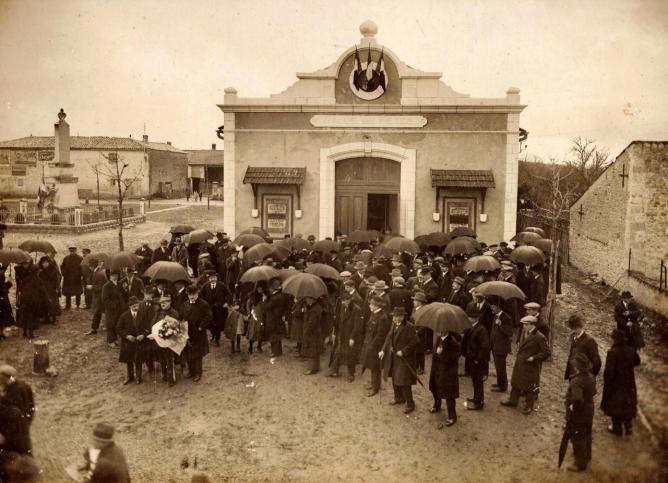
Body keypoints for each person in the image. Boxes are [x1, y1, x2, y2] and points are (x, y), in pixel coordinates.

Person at [501, 315, 550, 414]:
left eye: (526, 325)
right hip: (520, 362)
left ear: (533, 325)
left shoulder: (540, 337)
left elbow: (546, 352)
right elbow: (522, 343)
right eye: (523, 325)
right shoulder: (524, 332)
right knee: (516, 382)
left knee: (529, 386)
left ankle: (529, 406)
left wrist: (534, 358)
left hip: (530, 365)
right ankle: (513, 401)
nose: (524, 327)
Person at [380, 307, 419, 414]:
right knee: (395, 378)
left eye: (397, 316)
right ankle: (398, 398)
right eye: (394, 316)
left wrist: (403, 351)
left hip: (404, 359)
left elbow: (415, 342)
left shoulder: (409, 327)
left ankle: (410, 404)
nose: (394, 318)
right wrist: (383, 350)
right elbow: (388, 337)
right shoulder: (394, 324)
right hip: (394, 357)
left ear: (402, 317)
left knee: (404, 381)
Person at [601, 329, 640, 436]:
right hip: (629, 382)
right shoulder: (631, 350)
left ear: (615, 339)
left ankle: (617, 429)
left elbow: (609, 371)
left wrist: (607, 383)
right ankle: (629, 427)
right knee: (628, 403)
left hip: (616, 384)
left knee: (616, 404)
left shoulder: (612, 352)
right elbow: (637, 361)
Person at [564, 352, 597, 472]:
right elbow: (594, 392)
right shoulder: (590, 377)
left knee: (577, 436)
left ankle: (580, 463)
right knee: (586, 434)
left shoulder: (576, 381)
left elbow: (578, 398)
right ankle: (586, 456)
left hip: (579, 413)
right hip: (589, 410)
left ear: (577, 367)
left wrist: (573, 407)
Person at [330, 280, 363, 381]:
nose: (343, 303)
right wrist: (335, 332)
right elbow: (338, 320)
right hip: (341, 333)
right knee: (338, 351)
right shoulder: (342, 306)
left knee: (350, 355)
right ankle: (335, 370)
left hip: (350, 335)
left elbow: (357, 326)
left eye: (344, 301)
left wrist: (352, 337)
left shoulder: (356, 309)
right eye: (342, 301)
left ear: (349, 300)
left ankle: (351, 374)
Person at [179, 285, 212, 382]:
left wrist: (201, 327)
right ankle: (191, 371)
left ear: (197, 293)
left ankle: (198, 373)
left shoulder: (203, 304)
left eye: (193, 294)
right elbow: (181, 316)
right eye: (189, 295)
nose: (191, 297)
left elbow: (208, 317)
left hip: (198, 333)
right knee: (189, 353)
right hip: (187, 333)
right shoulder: (184, 305)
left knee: (198, 355)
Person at [429, 331, 461, 427]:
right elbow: (435, 353)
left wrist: (441, 354)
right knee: (436, 388)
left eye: (442, 329)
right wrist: (436, 353)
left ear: (447, 330)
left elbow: (454, 358)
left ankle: (452, 416)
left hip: (448, 373)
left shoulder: (453, 343)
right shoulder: (438, 339)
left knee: (449, 394)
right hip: (437, 369)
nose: (439, 331)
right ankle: (437, 405)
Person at [361, 296, 391, 397]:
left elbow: (380, 336)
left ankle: (375, 388)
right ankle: (374, 384)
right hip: (370, 344)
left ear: (377, 306)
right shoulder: (375, 314)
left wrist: (372, 346)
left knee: (375, 367)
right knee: (371, 365)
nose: (369, 306)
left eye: (371, 304)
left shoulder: (382, 318)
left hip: (375, 347)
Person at [0, 365, 34, 455]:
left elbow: (6, 411)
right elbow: (31, 407)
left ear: (6, 377)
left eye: (1, 378)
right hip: (22, 422)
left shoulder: (11, 392)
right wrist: (27, 421)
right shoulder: (24, 386)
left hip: (14, 424)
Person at [462, 310, 490, 410]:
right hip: (472, 359)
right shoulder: (472, 327)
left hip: (478, 361)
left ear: (476, 318)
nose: (468, 319)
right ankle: (476, 398)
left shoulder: (481, 330)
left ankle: (479, 402)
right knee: (475, 381)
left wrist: (478, 359)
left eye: (470, 317)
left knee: (478, 382)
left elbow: (485, 347)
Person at [152, 295, 180, 386]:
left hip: (171, 340)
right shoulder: (158, 312)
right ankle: (164, 375)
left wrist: (170, 332)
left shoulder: (174, 312)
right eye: (161, 303)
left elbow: (177, 325)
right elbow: (153, 323)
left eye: (164, 302)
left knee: (169, 359)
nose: (162, 304)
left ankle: (170, 378)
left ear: (169, 302)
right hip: (160, 340)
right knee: (162, 358)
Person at [564, 315, 601, 380]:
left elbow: (597, 363)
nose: (571, 331)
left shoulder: (590, 341)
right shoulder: (573, 338)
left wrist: (589, 377)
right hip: (573, 376)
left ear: (578, 328)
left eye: (572, 329)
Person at [199, 271, 231, 347]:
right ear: (209, 279)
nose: (212, 279)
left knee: (219, 323)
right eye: (210, 278)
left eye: (214, 277)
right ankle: (213, 335)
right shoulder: (206, 286)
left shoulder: (221, 285)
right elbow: (200, 294)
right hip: (210, 309)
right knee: (211, 323)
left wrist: (227, 303)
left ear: (216, 278)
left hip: (220, 309)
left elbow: (229, 294)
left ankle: (217, 339)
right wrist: (204, 303)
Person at [117, 297, 144, 384]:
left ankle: (138, 376)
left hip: (139, 343)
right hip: (128, 343)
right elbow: (119, 329)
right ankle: (130, 376)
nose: (136, 308)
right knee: (129, 360)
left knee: (138, 360)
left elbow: (147, 328)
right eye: (134, 306)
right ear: (130, 306)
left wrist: (143, 335)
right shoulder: (124, 316)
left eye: (137, 306)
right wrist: (127, 336)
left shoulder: (142, 315)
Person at [489, 300, 514, 393]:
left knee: (501, 367)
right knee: (497, 366)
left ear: (499, 307)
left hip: (502, 347)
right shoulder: (495, 316)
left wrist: (501, 325)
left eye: (493, 306)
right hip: (495, 346)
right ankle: (499, 382)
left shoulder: (506, 318)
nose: (491, 308)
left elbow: (509, 332)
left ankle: (503, 386)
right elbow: (493, 331)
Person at [263, 279, 291, 357]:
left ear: (273, 288)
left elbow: (266, 308)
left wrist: (264, 300)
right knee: (277, 335)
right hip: (278, 317)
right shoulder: (282, 295)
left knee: (273, 335)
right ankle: (279, 351)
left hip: (272, 318)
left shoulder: (274, 298)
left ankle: (274, 352)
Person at [101, 270, 125, 348]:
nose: (115, 277)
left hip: (119, 309)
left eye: (117, 275)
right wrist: (113, 305)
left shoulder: (119, 284)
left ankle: (115, 340)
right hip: (111, 310)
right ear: (110, 276)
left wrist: (125, 290)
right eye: (114, 275)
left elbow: (122, 295)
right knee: (111, 325)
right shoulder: (106, 286)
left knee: (117, 324)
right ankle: (110, 341)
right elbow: (105, 299)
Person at [301, 296, 324, 375]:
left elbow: (311, 323)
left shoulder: (313, 310)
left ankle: (311, 369)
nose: (306, 301)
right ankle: (316, 367)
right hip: (316, 332)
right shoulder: (317, 307)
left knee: (311, 350)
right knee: (315, 350)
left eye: (307, 299)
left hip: (312, 333)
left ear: (311, 299)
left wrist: (306, 331)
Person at [85, 260, 108, 336]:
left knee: (97, 313)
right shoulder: (97, 272)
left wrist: (92, 287)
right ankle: (99, 328)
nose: (89, 267)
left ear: (93, 266)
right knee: (100, 312)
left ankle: (94, 329)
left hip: (100, 297)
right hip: (98, 296)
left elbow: (102, 287)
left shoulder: (99, 274)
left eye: (90, 266)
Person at [37, 256, 61, 323]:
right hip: (43, 289)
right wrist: (38, 273)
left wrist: (57, 288)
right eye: (43, 263)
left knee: (53, 304)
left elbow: (57, 280)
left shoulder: (53, 269)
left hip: (52, 289)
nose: (45, 264)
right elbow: (38, 280)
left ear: (49, 263)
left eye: (46, 262)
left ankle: (54, 318)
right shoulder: (40, 271)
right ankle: (46, 318)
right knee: (44, 303)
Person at [410, 291, 429, 375]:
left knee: (420, 351)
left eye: (415, 300)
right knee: (416, 351)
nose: (413, 302)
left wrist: (418, 331)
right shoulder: (414, 309)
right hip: (414, 332)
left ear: (419, 302)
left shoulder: (424, 310)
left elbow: (425, 324)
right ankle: (416, 366)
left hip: (420, 334)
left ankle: (421, 368)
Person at [60, 244, 83, 310]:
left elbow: (82, 267)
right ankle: (68, 305)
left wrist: (80, 274)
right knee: (68, 292)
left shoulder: (80, 258)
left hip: (76, 278)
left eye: (73, 251)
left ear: (76, 251)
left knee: (78, 292)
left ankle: (78, 305)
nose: (72, 252)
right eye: (71, 251)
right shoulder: (66, 258)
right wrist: (64, 273)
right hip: (68, 278)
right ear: (69, 251)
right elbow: (62, 266)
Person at [0, 265, 15, 337]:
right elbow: (3, 288)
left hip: (4, 298)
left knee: (5, 314)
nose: (2, 271)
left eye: (3, 270)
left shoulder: (1, 277)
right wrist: (8, 283)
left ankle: (3, 331)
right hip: (2, 298)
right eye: (1, 270)